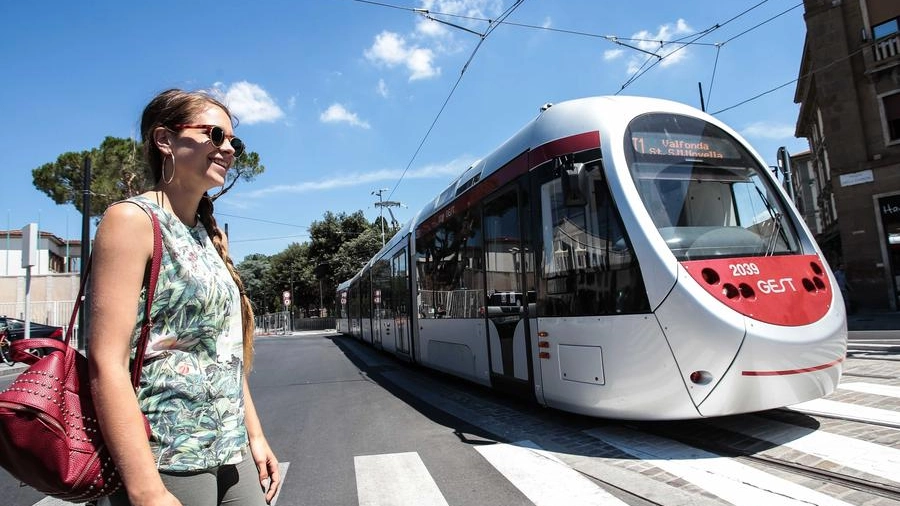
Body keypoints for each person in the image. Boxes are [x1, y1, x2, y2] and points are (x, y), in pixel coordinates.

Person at [87, 89, 280, 506]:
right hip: (165, 455)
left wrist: (256, 436)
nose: (228, 149)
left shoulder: (210, 235)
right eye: (215, 134)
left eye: (234, 141)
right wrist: (145, 488)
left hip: (231, 450)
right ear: (165, 140)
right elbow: (107, 362)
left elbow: (222, 352)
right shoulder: (130, 220)